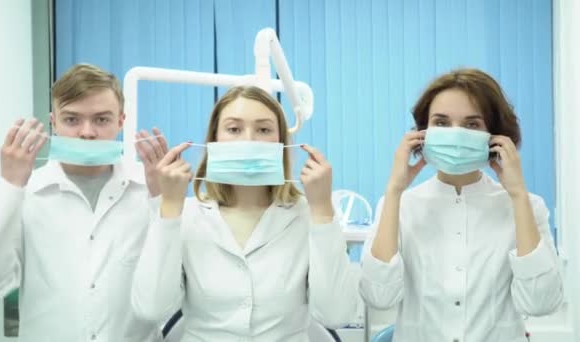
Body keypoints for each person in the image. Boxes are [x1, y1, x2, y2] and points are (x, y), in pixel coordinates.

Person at [131, 85, 358, 341]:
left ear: (281, 142)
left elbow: (337, 314)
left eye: (263, 129)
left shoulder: (308, 213)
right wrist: (170, 207)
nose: (249, 140)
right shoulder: (187, 214)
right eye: (234, 129)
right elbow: (150, 308)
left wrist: (322, 208)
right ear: (213, 140)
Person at [360, 68, 563, 342]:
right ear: (423, 132)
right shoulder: (400, 205)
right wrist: (394, 190)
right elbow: (379, 297)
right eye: (441, 123)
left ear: (495, 136)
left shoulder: (526, 206)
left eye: (472, 124)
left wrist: (518, 195)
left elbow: (541, 303)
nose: (455, 134)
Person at [0, 63, 167, 342]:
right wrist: (9, 185)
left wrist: (163, 199)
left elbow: (172, 289)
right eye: (72, 120)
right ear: (54, 122)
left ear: (121, 121)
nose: (87, 133)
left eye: (101, 120)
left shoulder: (148, 189)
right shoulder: (25, 193)